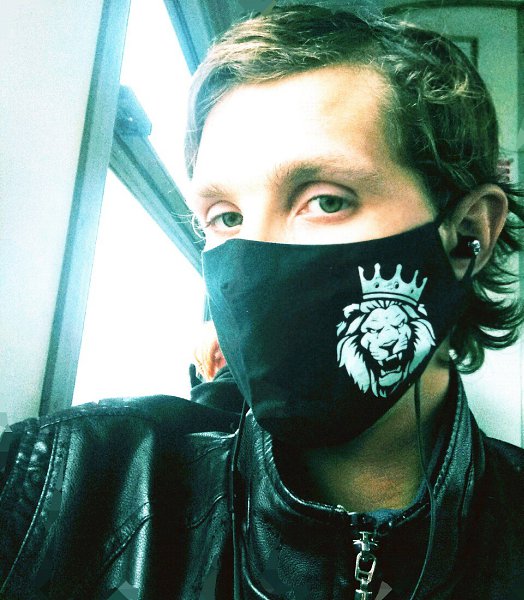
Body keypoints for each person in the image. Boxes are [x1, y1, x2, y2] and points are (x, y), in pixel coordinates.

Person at [1, 5, 524, 599]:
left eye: (325, 201)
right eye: (225, 217)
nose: (253, 268)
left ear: (466, 235)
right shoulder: (60, 489)